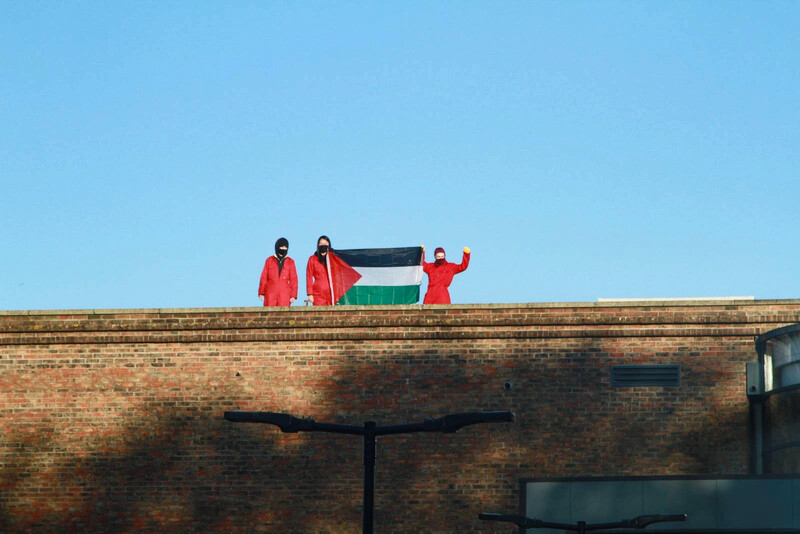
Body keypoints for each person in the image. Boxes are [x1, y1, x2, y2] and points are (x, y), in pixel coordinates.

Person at [258, 237, 298, 307]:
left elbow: (294, 279)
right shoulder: (269, 261)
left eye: (285, 247)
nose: (283, 249)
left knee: (284, 315)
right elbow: (264, 277)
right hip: (270, 293)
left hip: (284, 294)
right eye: (282, 247)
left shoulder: (290, 262)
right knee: (269, 314)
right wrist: (261, 292)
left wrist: (293, 295)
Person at [306, 235, 333, 306]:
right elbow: (309, 277)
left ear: (329, 245)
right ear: (318, 245)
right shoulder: (312, 259)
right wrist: (310, 294)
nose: (323, 246)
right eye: (321, 244)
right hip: (318, 293)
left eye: (326, 244)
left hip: (332, 293)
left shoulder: (334, 258)